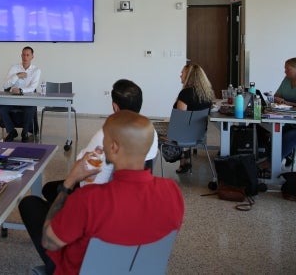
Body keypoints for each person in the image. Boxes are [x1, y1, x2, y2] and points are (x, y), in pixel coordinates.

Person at [19, 111, 184, 274]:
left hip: (81, 270)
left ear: (113, 147)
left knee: (30, 204)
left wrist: (70, 181)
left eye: (104, 137)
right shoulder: (172, 192)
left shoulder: (89, 199)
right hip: (139, 269)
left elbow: (49, 242)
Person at [37, 79, 158, 202]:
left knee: (47, 189)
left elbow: (83, 166)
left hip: (97, 196)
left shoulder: (106, 135)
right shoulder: (151, 130)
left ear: (115, 107)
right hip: (134, 195)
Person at [170, 63, 214, 173]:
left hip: (183, 135)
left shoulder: (185, 94)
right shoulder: (207, 94)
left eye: (182, 73)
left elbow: (181, 119)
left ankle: (181, 158)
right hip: (199, 134)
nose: (180, 75)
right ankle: (186, 161)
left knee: (155, 131)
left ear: (189, 76)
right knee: (188, 128)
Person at [0, 46, 41, 142]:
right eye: (23, 55)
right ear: (21, 56)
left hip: (27, 99)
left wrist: (21, 90)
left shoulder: (36, 70)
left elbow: (32, 87)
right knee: (1, 109)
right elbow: (5, 85)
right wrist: (17, 76)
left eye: (27, 55)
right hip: (12, 98)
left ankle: (25, 132)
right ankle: (12, 131)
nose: (25, 57)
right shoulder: (14, 68)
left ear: (32, 57)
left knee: (30, 110)